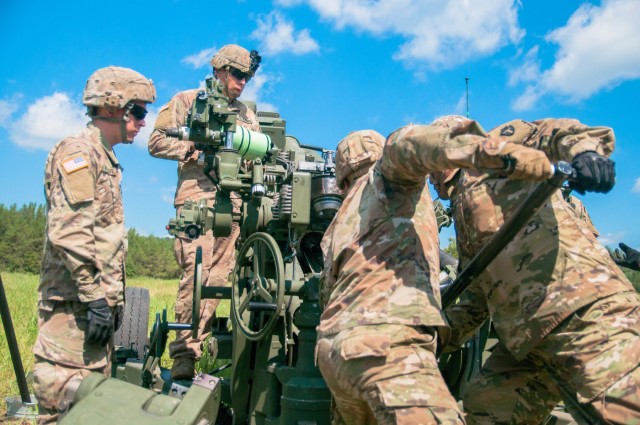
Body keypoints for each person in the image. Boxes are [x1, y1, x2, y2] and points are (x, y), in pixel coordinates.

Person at [316, 122, 555, 425]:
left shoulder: (336, 225)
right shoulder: (390, 179)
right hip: (386, 345)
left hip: (334, 353)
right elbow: (413, 148)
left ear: (341, 182)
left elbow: (327, 293)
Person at [434, 117, 640, 424]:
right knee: (487, 412)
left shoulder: (493, 151)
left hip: (581, 312)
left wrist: (585, 152)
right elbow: (477, 298)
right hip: (525, 342)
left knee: (623, 412)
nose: (428, 173)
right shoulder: (462, 212)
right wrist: (430, 339)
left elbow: (555, 132)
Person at [33, 66, 156, 424]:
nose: (143, 122)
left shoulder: (106, 159)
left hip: (91, 313)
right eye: (139, 112)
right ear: (113, 107)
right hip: (73, 310)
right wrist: (94, 297)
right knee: (64, 409)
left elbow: (104, 239)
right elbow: (70, 232)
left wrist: (108, 299)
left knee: (91, 411)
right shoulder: (79, 153)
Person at [148, 44, 262, 380]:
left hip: (234, 206)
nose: (242, 82)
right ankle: (184, 359)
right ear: (220, 70)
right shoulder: (187, 101)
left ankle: (199, 348)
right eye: (238, 75)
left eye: (248, 77)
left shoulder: (247, 116)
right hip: (197, 201)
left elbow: (256, 157)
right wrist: (195, 151)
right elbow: (155, 141)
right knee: (195, 277)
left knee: (217, 279)